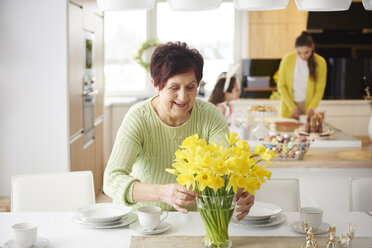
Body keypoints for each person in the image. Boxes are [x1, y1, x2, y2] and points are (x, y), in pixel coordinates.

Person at [103, 42, 253, 221]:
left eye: (191, 87)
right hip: (145, 220)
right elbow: (111, 181)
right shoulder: (139, 117)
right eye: (174, 88)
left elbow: (226, 164)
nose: (183, 97)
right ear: (156, 85)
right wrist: (162, 192)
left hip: (196, 220)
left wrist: (241, 186)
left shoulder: (210, 115)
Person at [278, 31, 327, 120]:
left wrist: (312, 106)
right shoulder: (287, 59)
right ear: (295, 49)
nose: (303, 56)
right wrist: (292, 107)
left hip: (308, 108)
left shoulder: (320, 62)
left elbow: (320, 89)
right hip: (288, 107)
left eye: (306, 52)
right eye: (299, 53)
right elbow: (281, 86)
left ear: (312, 47)